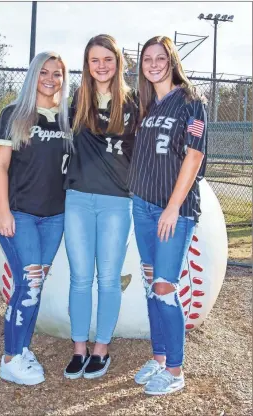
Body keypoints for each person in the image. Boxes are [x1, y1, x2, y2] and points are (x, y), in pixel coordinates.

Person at [127, 35, 207, 395]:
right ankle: (158, 358)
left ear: (172, 61)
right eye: (148, 59)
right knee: (150, 284)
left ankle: (175, 370)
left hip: (172, 209)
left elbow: (193, 157)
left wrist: (173, 207)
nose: (154, 64)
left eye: (161, 57)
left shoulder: (191, 103)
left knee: (164, 287)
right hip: (142, 205)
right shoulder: (146, 105)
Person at [0, 51, 71, 385]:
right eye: (44, 72)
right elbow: (0, 167)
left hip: (54, 218)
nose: (51, 79)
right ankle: (10, 358)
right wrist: (5, 212)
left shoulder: (67, 119)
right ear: (33, 75)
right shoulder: (14, 114)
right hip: (20, 214)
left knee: (33, 287)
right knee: (30, 285)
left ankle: (22, 349)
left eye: (57, 73)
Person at [63, 34, 138, 380]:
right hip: (78, 199)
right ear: (87, 64)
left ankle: (101, 349)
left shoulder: (133, 102)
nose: (102, 66)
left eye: (108, 59)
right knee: (80, 279)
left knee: (107, 279)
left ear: (118, 62)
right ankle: (79, 349)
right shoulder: (78, 99)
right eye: (95, 60)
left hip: (115, 202)